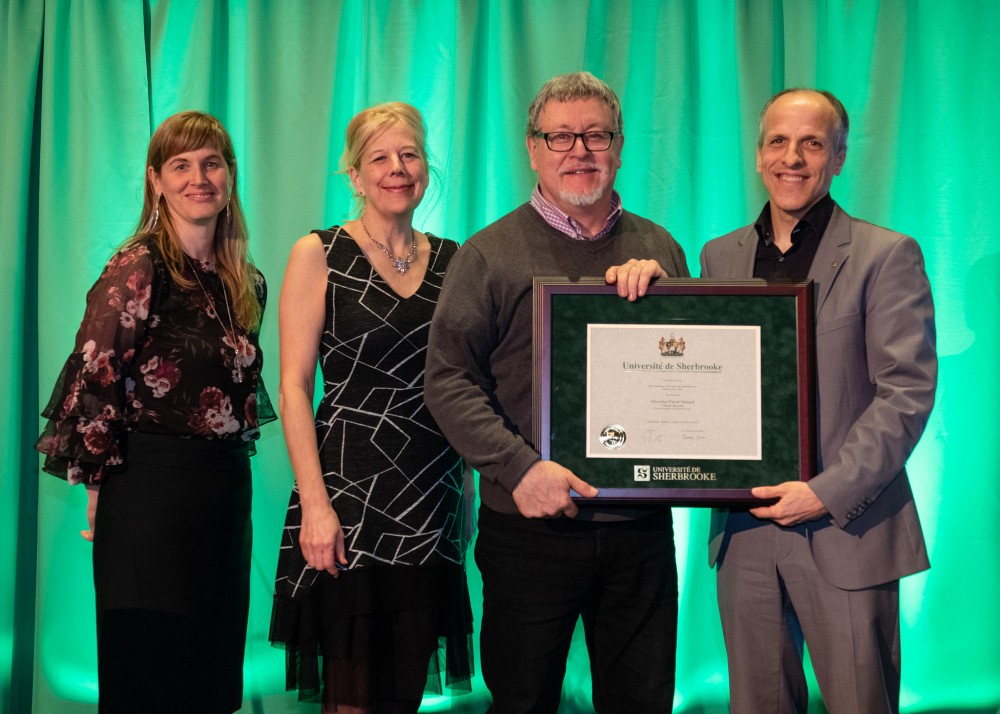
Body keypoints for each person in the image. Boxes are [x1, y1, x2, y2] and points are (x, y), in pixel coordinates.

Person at [425, 72, 689, 713]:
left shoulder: (659, 248)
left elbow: (695, 379)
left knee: (642, 701)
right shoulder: (488, 255)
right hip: (530, 530)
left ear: (620, 146)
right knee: (524, 700)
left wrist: (671, 299)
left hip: (640, 531)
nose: (580, 150)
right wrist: (521, 470)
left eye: (595, 135)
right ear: (533, 148)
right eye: (561, 136)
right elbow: (449, 379)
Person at [700, 88, 937, 713]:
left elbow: (905, 395)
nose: (793, 158)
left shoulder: (886, 255)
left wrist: (825, 491)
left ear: (838, 156)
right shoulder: (718, 257)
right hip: (743, 530)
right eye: (778, 141)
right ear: (758, 155)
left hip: (845, 525)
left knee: (861, 701)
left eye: (812, 143)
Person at [35, 110, 275, 713]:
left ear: (230, 174)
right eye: (181, 165)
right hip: (148, 493)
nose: (199, 177)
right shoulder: (138, 266)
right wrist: (95, 482)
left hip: (224, 494)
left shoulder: (247, 281)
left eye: (212, 162)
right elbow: (95, 374)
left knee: (211, 677)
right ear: (155, 180)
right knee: (150, 676)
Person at [269, 101, 474, 714]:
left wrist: (464, 493)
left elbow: (463, 385)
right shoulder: (319, 252)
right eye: (379, 157)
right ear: (354, 175)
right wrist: (314, 506)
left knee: (405, 689)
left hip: (429, 497)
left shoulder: (456, 260)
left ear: (426, 169)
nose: (397, 168)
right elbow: (294, 388)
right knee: (352, 698)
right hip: (346, 499)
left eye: (409, 154)